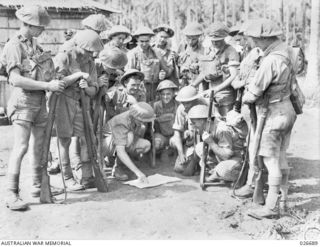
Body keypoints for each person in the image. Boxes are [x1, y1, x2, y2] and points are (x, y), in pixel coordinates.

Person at [1, 5, 66, 210]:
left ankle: (38, 186)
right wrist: (47, 86)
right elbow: (15, 79)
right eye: (40, 26)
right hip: (22, 103)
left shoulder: (35, 45)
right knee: (21, 147)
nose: (42, 30)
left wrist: (54, 78)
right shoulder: (13, 46)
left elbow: (44, 72)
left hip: (39, 103)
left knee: (40, 146)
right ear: (28, 24)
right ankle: (11, 194)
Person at [241, 19, 297, 219]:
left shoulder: (271, 60)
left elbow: (254, 92)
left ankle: (271, 208)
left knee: (269, 160)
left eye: (256, 39)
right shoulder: (289, 52)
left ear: (265, 38)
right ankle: (283, 201)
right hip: (288, 108)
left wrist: (246, 94)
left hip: (273, 113)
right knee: (281, 155)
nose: (254, 43)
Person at [53, 29, 103, 190]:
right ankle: (67, 178)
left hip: (83, 103)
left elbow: (95, 88)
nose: (91, 55)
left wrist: (87, 87)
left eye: (92, 52)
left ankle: (87, 176)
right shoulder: (64, 57)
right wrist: (78, 76)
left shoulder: (90, 62)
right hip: (63, 101)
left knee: (87, 138)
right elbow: (55, 83)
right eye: (88, 51)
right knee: (64, 140)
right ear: (78, 45)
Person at [188, 105, 248, 183]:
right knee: (199, 147)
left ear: (202, 121)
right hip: (221, 157)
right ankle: (216, 173)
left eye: (194, 123)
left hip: (236, 160)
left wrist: (211, 143)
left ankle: (219, 175)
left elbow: (227, 155)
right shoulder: (209, 126)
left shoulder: (222, 129)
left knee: (222, 170)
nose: (193, 126)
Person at [191, 22, 240, 118]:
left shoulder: (231, 52)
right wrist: (193, 86)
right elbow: (205, 71)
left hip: (226, 95)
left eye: (217, 41)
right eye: (212, 41)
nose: (214, 43)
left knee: (226, 124)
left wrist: (216, 89)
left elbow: (234, 76)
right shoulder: (210, 51)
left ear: (224, 38)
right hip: (210, 94)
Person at [102, 102, 155, 182]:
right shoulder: (122, 121)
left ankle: (121, 166)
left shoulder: (135, 119)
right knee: (129, 137)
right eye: (142, 120)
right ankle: (118, 168)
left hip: (120, 143)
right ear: (135, 116)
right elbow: (120, 151)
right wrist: (139, 173)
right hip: (104, 145)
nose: (143, 122)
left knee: (146, 145)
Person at [169, 86, 207, 176]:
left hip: (205, 140)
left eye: (188, 103)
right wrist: (181, 154)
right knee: (179, 168)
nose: (185, 105)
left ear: (195, 100)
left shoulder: (205, 105)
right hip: (191, 141)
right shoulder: (181, 108)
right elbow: (177, 133)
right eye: (183, 103)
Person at [126, 26, 166, 102]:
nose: (144, 44)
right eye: (142, 41)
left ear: (150, 39)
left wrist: (162, 74)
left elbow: (165, 70)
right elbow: (129, 75)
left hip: (155, 89)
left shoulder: (156, 52)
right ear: (137, 40)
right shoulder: (133, 54)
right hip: (140, 90)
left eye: (147, 41)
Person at [153, 80, 179, 155]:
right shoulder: (155, 106)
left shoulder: (178, 105)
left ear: (173, 94)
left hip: (175, 135)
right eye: (163, 94)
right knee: (157, 143)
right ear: (160, 95)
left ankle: (174, 152)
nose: (165, 97)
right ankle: (158, 154)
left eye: (168, 94)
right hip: (161, 135)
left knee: (176, 143)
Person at [177, 22, 204, 87]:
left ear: (199, 37)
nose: (190, 41)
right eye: (188, 38)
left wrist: (197, 66)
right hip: (183, 82)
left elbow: (205, 70)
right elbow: (177, 64)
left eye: (194, 39)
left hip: (197, 83)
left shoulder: (203, 50)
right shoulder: (182, 47)